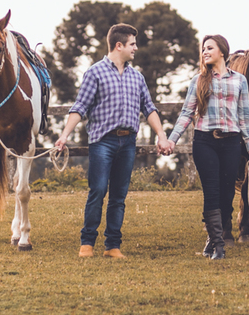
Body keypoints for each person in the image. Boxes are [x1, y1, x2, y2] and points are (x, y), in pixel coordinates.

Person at [55, 23, 171, 258]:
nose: (135, 48)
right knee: (98, 190)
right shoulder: (95, 73)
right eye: (132, 44)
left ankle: (112, 246)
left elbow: (149, 108)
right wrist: (64, 135)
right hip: (102, 142)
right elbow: (80, 106)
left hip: (128, 143)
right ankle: (87, 243)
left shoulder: (137, 77)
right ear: (119, 45)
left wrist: (161, 135)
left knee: (119, 195)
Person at [163, 34, 249, 260]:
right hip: (205, 141)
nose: (204, 52)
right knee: (212, 191)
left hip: (231, 142)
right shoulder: (198, 80)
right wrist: (172, 139)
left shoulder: (240, 81)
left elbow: (245, 117)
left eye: (209, 48)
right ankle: (218, 245)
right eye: (203, 49)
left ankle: (211, 240)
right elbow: (186, 113)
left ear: (222, 52)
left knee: (227, 194)